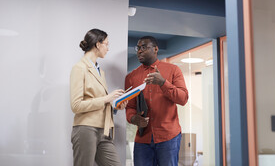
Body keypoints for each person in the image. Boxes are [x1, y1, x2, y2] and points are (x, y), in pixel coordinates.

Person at [125, 36, 188, 166]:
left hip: (169, 137)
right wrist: (133, 118)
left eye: (144, 47)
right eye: (138, 48)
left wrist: (163, 83)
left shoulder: (173, 70)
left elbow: (183, 99)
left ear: (155, 49)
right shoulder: (131, 77)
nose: (139, 51)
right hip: (143, 139)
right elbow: (129, 107)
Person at [70, 28, 127, 166]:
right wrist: (107, 98)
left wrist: (115, 105)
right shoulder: (79, 68)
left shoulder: (100, 71)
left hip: (105, 130)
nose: (108, 48)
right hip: (86, 129)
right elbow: (76, 105)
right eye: (106, 44)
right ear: (97, 44)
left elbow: (100, 101)